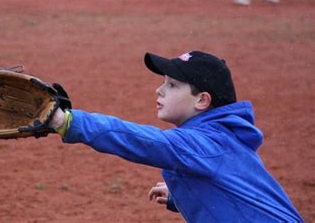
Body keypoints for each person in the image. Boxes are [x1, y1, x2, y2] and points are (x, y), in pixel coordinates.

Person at [48, 51, 303, 221]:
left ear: (202, 100)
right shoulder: (220, 139)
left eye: (172, 85)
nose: (159, 90)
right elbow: (234, 197)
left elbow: (141, 141)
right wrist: (183, 196)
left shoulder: (206, 144)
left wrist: (67, 120)